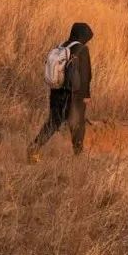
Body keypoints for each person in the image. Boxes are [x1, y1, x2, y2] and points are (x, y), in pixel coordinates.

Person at [28, 22, 93, 161]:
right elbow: (86, 74)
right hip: (74, 94)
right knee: (77, 124)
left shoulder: (62, 46)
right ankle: (78, 157)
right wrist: (86, 95)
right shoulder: (82, 49)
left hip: (56, 91)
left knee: (53, 122)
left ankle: (34, 147)